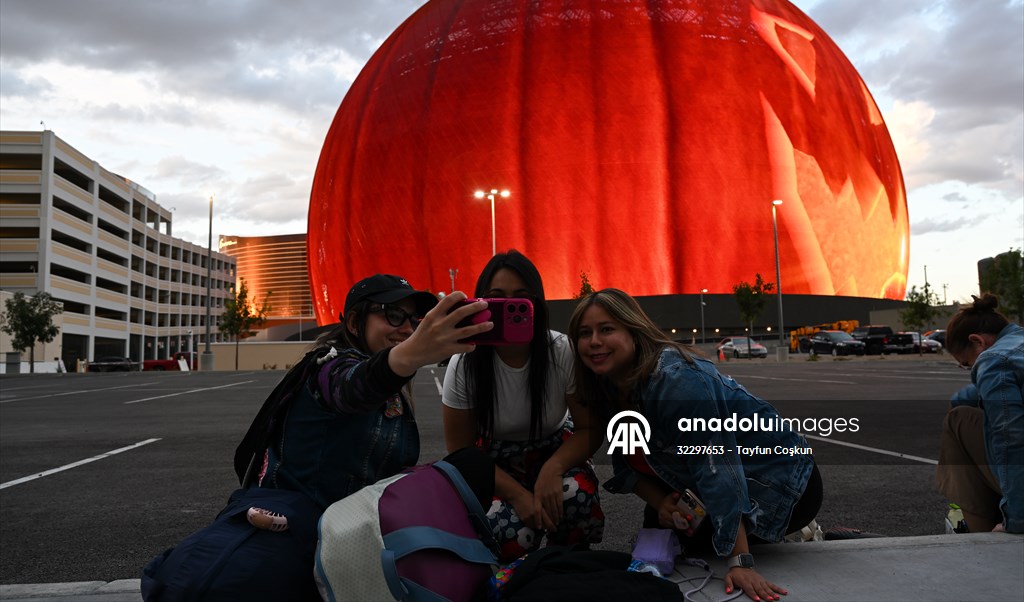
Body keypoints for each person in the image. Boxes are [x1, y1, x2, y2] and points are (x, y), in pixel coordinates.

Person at [568, 288, 823, 602]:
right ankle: (750, 533)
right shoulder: (607, 386)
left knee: (703, 546)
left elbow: (717, 470)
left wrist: (740, 562)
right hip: (706, 483)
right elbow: (628, 464)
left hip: (783, 484)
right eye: (585, 333)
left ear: (634, 332)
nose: (594, 341)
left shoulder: (676, 381)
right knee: (665, 537)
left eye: (606, 329)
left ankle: (788, 528)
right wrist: (662, 504)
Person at [234, 273, 492, 509]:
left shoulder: (397, 387)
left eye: (413, 320)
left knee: (469, 466)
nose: (407, 329)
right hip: (305, 524)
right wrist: (406, 358)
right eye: (393, 315)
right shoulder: (329, 367)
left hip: (360, 523)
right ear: (355, 323)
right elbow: (351, 388)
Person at [441, 250, 605, 561]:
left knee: (576, 499)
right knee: (506, 531)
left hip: (554, 447)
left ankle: (569, 567)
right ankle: (514, 576)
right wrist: (518, 496)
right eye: (496, 299)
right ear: (480, 305)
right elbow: (460, 455)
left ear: (537, 304)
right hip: (492, 460)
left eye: (520, 298)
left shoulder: (561, 350)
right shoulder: (464, 362)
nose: (508, 307)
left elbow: (589, 428)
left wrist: (552, 470)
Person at [936, 293, 1023, 533]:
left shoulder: (993, 360)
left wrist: (1017, 520)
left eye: (967, 364)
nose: (971, 369)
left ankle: (982, 535)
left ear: (977, 342)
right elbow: (964, 397)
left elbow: (1012, 438)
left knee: (957, 421)